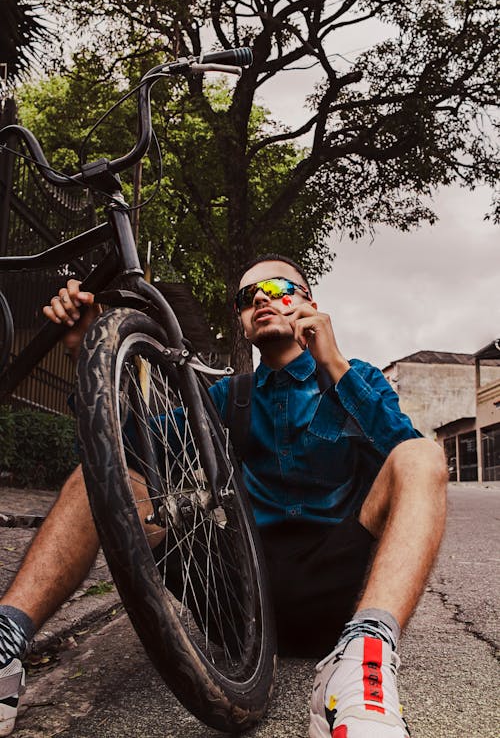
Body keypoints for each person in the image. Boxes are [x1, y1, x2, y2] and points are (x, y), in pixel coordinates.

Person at [0, 254, 447, 738]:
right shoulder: (223, 398)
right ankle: (7, 640)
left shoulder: (355, 380)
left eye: (278, 288)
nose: (260, 298)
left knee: (422, 455)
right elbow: (117, 449)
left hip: (340, 595)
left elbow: (399, 452)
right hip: (239, 603)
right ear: (241, 317)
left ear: (310, 303)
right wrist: (84, 351)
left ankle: (362, 664)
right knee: (101, 472)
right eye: (246, 296)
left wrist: (333, 364)